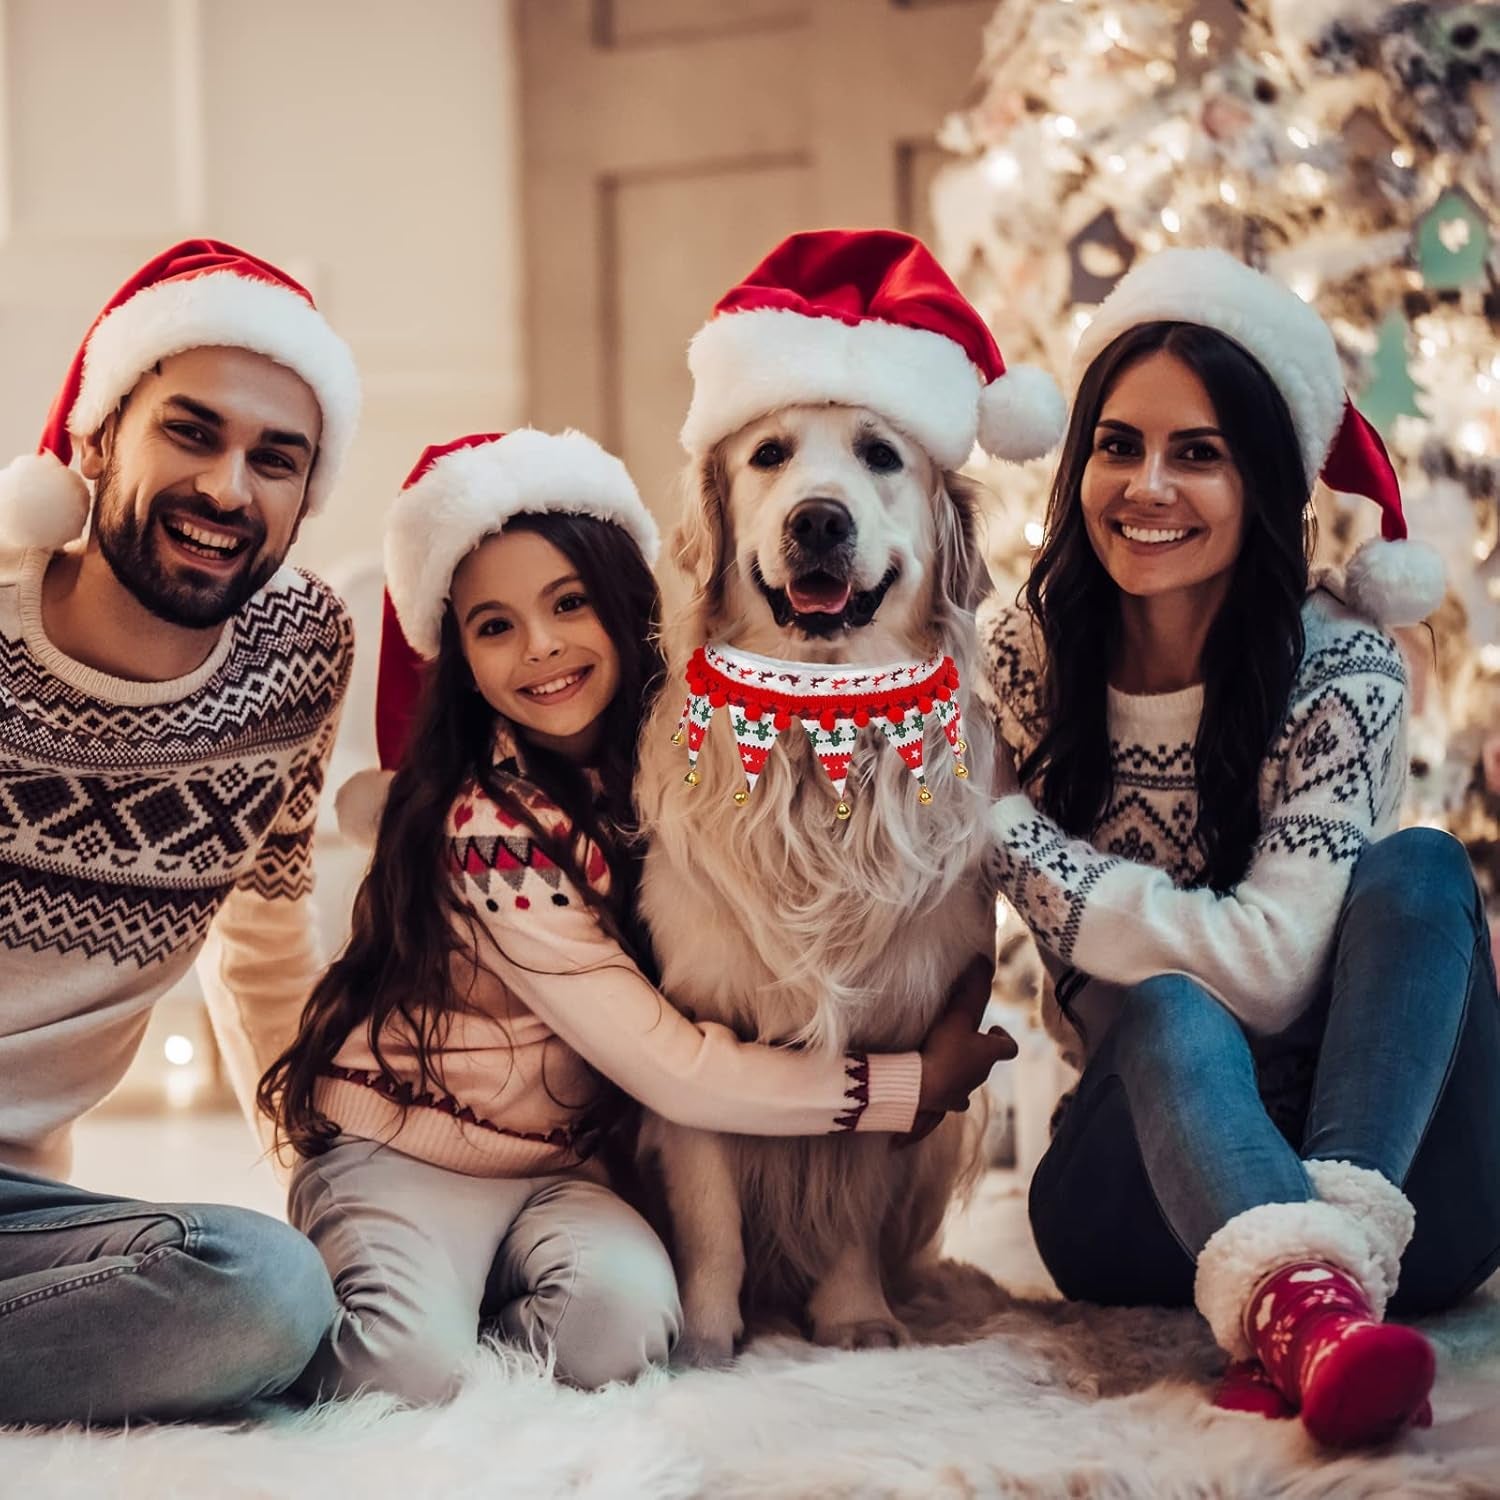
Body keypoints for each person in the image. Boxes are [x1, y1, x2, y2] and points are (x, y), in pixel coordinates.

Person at [259, 429, 1014, 1405]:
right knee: (401, 1372)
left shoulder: (661, 764)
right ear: (462, 660)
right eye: (494, 627)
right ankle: (393, 1291)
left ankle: (472, 1303)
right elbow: (667, 1063)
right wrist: (904, 1086)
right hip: (408, 1153)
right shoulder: (485, 828)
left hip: (563, 1168)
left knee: (620, 1331)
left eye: (569, 605)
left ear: (625, 609)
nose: (541, 648)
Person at [979, 246, 1497, 1448]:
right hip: (1138, 1203)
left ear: (1265, 479)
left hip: (1401, 1195)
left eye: (1197, 453)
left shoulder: (1342, 667)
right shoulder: (1024, 662)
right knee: (1165, 1012)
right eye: (1118, 444)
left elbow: (1271, 968)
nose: (1146, 484)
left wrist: (1010, 834)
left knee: (1417, 867)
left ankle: (1320, 1289)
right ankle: (1304, 1310)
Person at [0, 240, 361, 1423]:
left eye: (276, 459)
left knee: (264, 1292)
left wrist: (333, 1190)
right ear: (100, 440)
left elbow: (262, 949)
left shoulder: (300, 657)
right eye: (191, 432)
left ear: (307, 497)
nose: (228, 488)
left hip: (19, 1220)